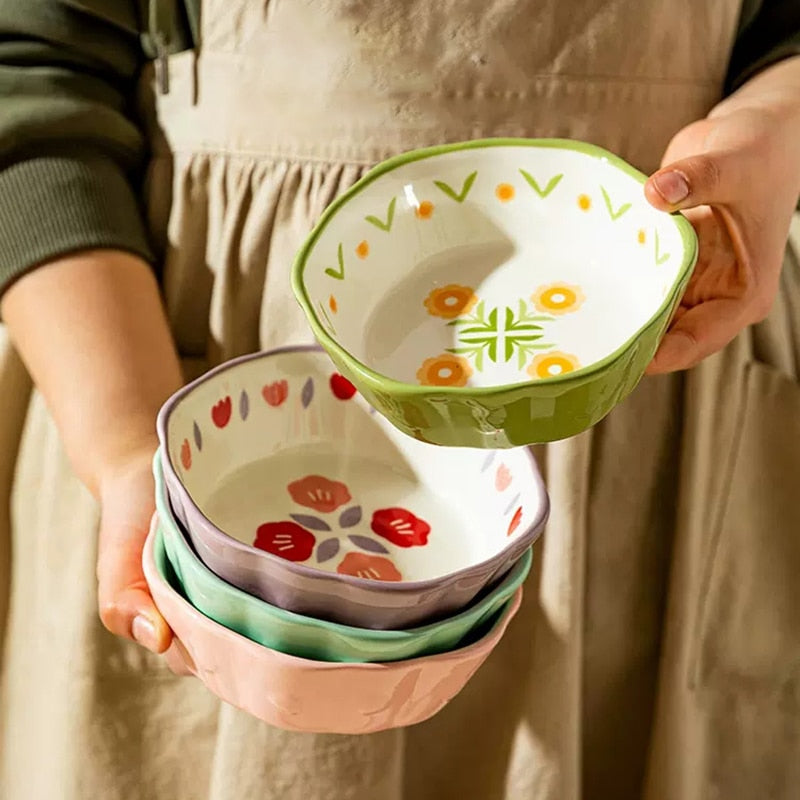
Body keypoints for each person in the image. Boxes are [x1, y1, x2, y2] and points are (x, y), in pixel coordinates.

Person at [0, 1, 799, 798]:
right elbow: (31, 73)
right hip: (166, 372)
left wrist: (776, 127)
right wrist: (125, 447)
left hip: (661, 389)